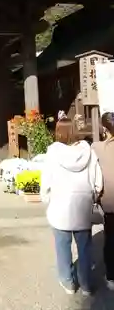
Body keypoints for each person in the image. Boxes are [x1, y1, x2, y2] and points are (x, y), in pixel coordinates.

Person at [40, 118, 103, 296]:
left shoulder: (53, 152)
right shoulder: (88, 151)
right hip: (83, 206)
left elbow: (46, 179)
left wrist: (46, 197)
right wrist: (95, 194)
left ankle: (68, 282)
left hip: (60, 206)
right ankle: (86, 284)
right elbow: (97, 178)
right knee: (84, 247)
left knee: (62, 245)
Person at [92, 112, 114, 290]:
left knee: (111, 237)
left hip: (109, 200)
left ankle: (111, 274)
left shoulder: (97, 147)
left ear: (105, 130)